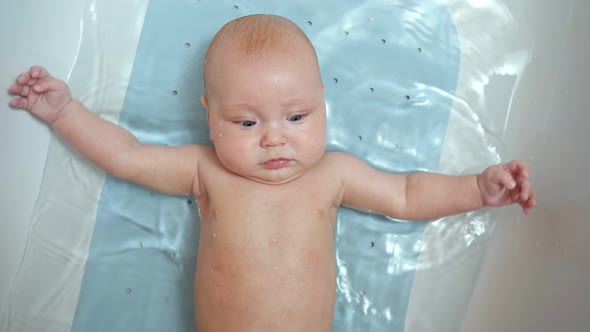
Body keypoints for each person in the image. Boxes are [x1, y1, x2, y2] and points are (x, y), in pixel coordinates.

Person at [8, 14, 536, 332]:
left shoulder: (333, 175)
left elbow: (406, 193)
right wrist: (66, 112)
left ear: (323, 105)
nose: (274, 137)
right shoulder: (205, 171)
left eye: (297, 116)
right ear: (209, 118)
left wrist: (476, 188)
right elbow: (126, 155)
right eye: (245, 121)